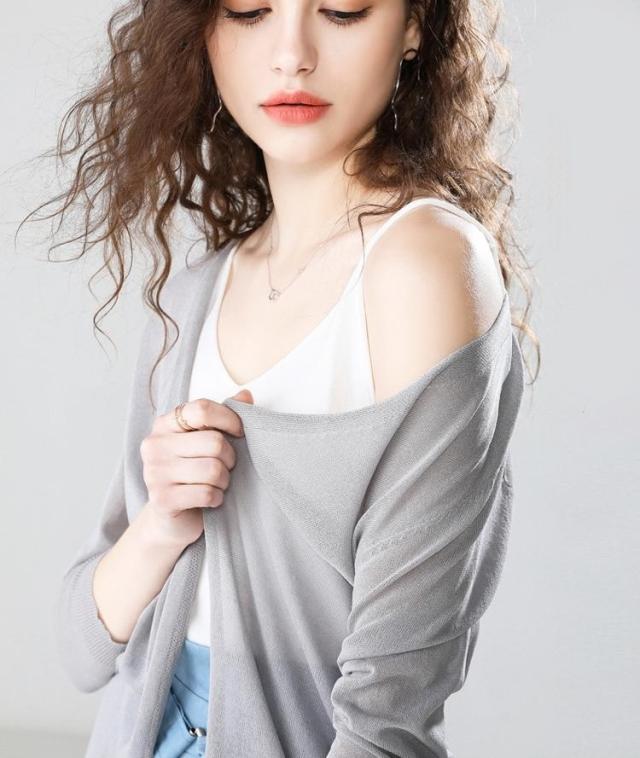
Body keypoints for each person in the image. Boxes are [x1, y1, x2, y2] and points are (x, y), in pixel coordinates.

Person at [25, 0, 538, 755]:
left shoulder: (422, 266)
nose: (291, 53)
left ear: (413, 26)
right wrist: (163, 522)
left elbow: (387, 716)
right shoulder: (194, 294)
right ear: (203, 30)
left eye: (342, 10)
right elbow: (83, 651)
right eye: (250, 10)